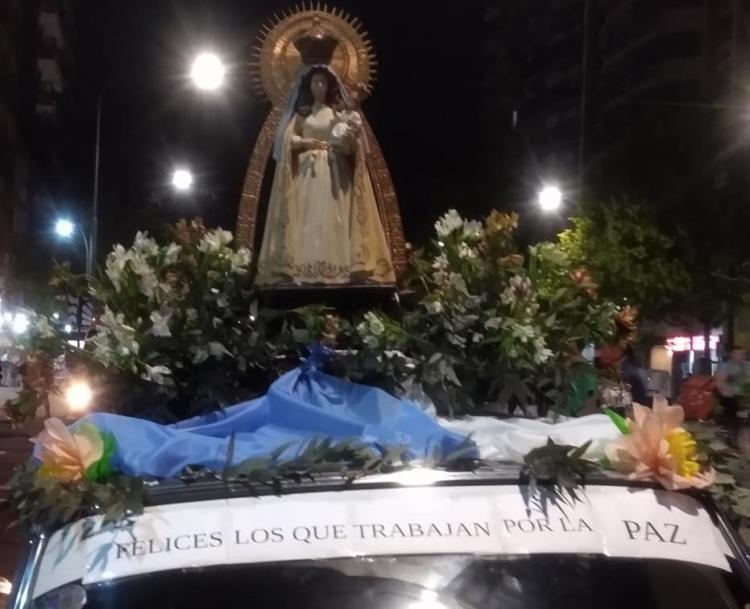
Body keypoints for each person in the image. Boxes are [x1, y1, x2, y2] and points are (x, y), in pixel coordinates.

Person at [256, 66, 395, 286]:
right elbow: (288, 141)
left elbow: (347, 147)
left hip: (334, 171)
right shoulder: (302, 115)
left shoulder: (337, 115)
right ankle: (301, 269)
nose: (319, 86)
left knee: (335, 216)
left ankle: (340, 269)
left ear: (329, 86)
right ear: (309, 86)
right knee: (305, 216)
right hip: (306, 171)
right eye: (315, 82)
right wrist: (304, 142)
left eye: (323, 82)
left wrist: (349, 138)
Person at [715, 345, 749, 422]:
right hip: (730, 394)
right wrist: (725, 390)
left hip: (743, 392)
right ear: (732, 354)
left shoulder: (747, 365)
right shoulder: (725, 366)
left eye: (742, 354)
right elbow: (719, 382)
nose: (739, 356)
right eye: (737, 354)